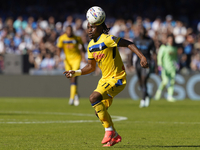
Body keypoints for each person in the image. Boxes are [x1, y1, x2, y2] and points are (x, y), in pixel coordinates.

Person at [63, 12, 148, 147]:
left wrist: (142, 57)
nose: (89, 30)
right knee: (99, 111)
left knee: (93, 98)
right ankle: (114, 134)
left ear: (101, 27)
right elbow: (91, 67)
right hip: (104, 80)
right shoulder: (90, 45)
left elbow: (129, 43)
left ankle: (108, 131)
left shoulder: (107, 39)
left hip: (117, 78)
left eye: (93, 27)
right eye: (88, 27)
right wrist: (76, 72)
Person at [57, 25, 86, 106]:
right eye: (68, 30)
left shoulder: (77, 38)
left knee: (73, 76)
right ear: (66, 31)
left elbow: (82, 48)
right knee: (70, 78)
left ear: (72, 31)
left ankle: (71, 98)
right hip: (67, 61)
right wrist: (59, 57)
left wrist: (83, 57)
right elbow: (59, 48)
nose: (69, 32)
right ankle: (76, 94)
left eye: (70, 30)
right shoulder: (62, 38)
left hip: (76, 59)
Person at [129, 25, 156, 108]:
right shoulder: (136, 40)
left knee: (144, 80)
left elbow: (154, 54)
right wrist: (129, 63)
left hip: (147, 63)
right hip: (137, 63)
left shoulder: (150, 41)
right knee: (140, 82)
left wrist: (156, 66)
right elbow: (131, 51)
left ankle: (143, 100)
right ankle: (147, 95)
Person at [154, 34, 178, 102]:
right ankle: (158, 93)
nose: (170, 41)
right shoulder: (163, 47)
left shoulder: (174, 48)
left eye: (172, 40)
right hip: (165, 67)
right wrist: (160, 65)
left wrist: (177, 65)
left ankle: (170, 96)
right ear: (167, 40)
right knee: (165, 81)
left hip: (172, 68)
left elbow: (175, 58)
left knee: (172, 82)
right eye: (169, 40)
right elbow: (159, 57)